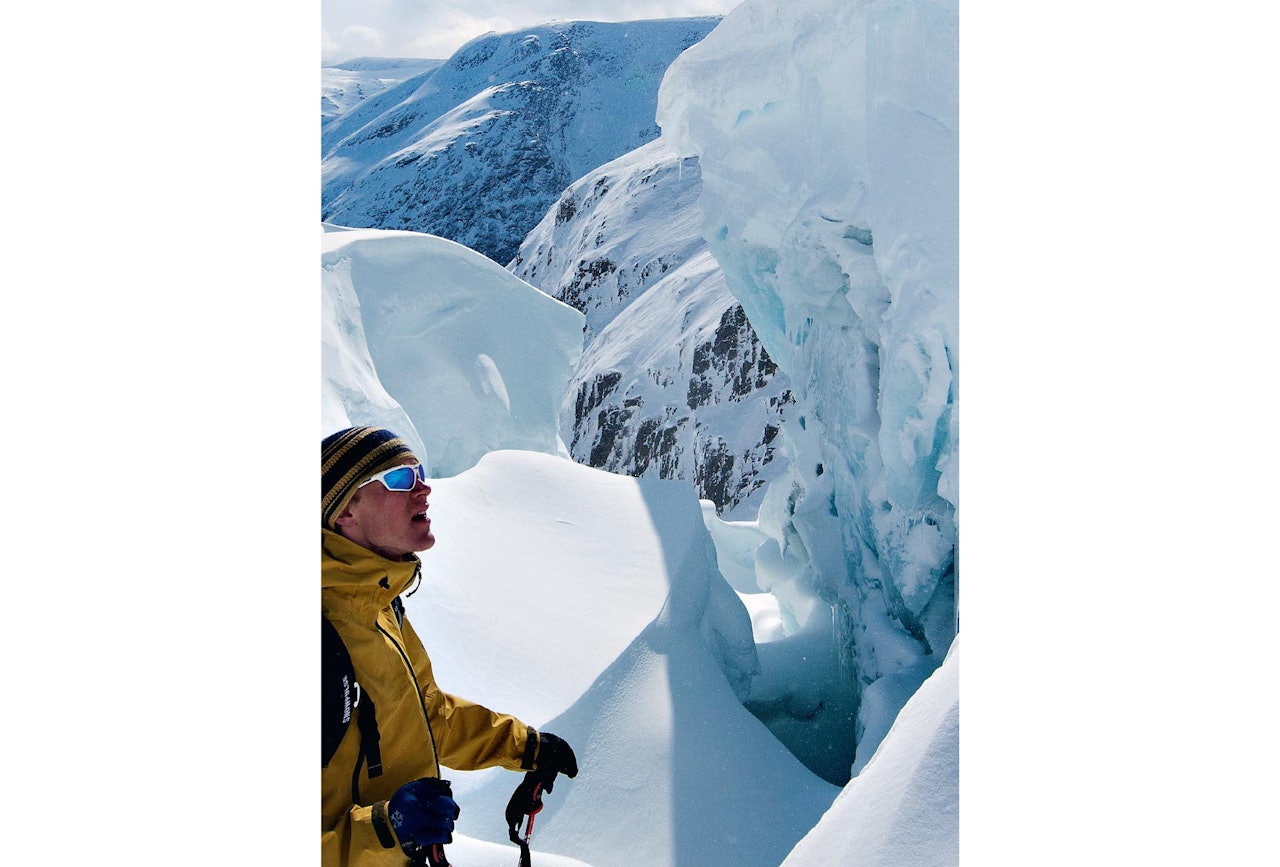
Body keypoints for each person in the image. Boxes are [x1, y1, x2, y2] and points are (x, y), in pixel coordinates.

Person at [322, 426, 578, 866]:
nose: (424, 489)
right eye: (399, 479)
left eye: (419, 472)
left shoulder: (379, 606)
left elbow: (427, 716)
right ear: (345, 510)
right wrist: (388, 829)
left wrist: (524, 746)